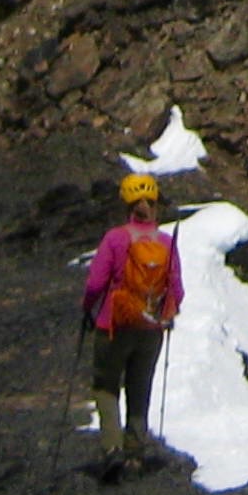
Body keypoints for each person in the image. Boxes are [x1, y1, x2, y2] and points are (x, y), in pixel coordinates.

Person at [82, 170, 183, 477]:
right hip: (151, 327)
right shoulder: (165, 241)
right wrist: (165, 315)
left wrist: (87, 308)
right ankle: (136, 455)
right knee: (140, 388)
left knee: (106, 386)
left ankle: (112, 449)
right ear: (155, 203)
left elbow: (96, 283)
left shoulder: (115, 238)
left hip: (115, 323)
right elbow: (177, 289)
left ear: (125, 204)